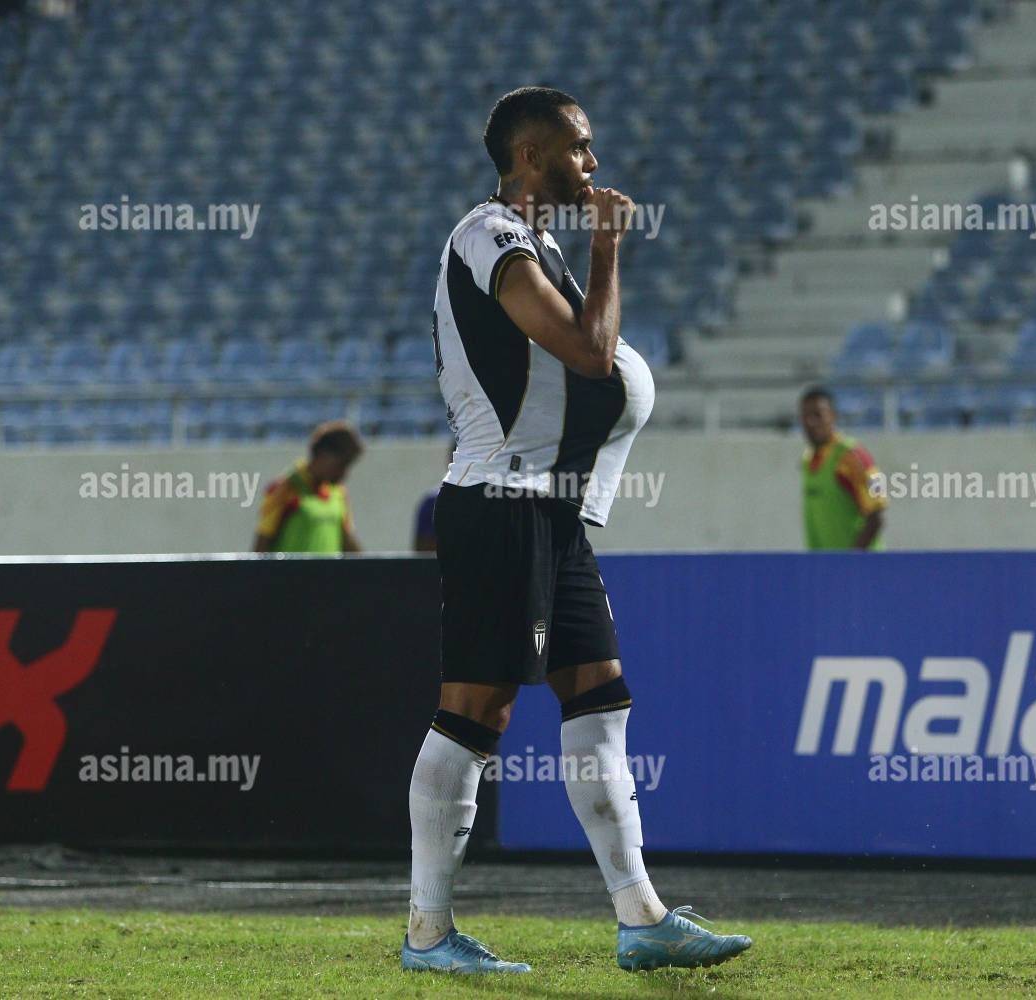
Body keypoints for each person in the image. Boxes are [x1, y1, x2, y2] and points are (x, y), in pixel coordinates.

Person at [402, 86, 751, 976]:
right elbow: (591, 354)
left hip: (554, 511)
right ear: (529, 156)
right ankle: (428, 935)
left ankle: (642, 918)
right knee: (475, 714)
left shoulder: (535, 244)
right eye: (578, 147)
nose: (592, 163)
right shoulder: (491, 236)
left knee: (600, 698)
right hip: (500, 502)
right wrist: (608, 247)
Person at [252, 421, 364, 554]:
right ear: (323, 455)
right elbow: (262, 544)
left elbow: (347, 540)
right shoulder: (284, 488)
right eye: (341, 465)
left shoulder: (338, 493)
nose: (344, 473)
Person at [799, 386, 886, 550]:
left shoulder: (853, 456)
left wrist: (850, 560)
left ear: (833, 416)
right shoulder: (808, 460)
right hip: (824, 564)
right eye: (806, 416)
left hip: (859, 564)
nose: (811, 422)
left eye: (818, 415)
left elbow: (876, 516)